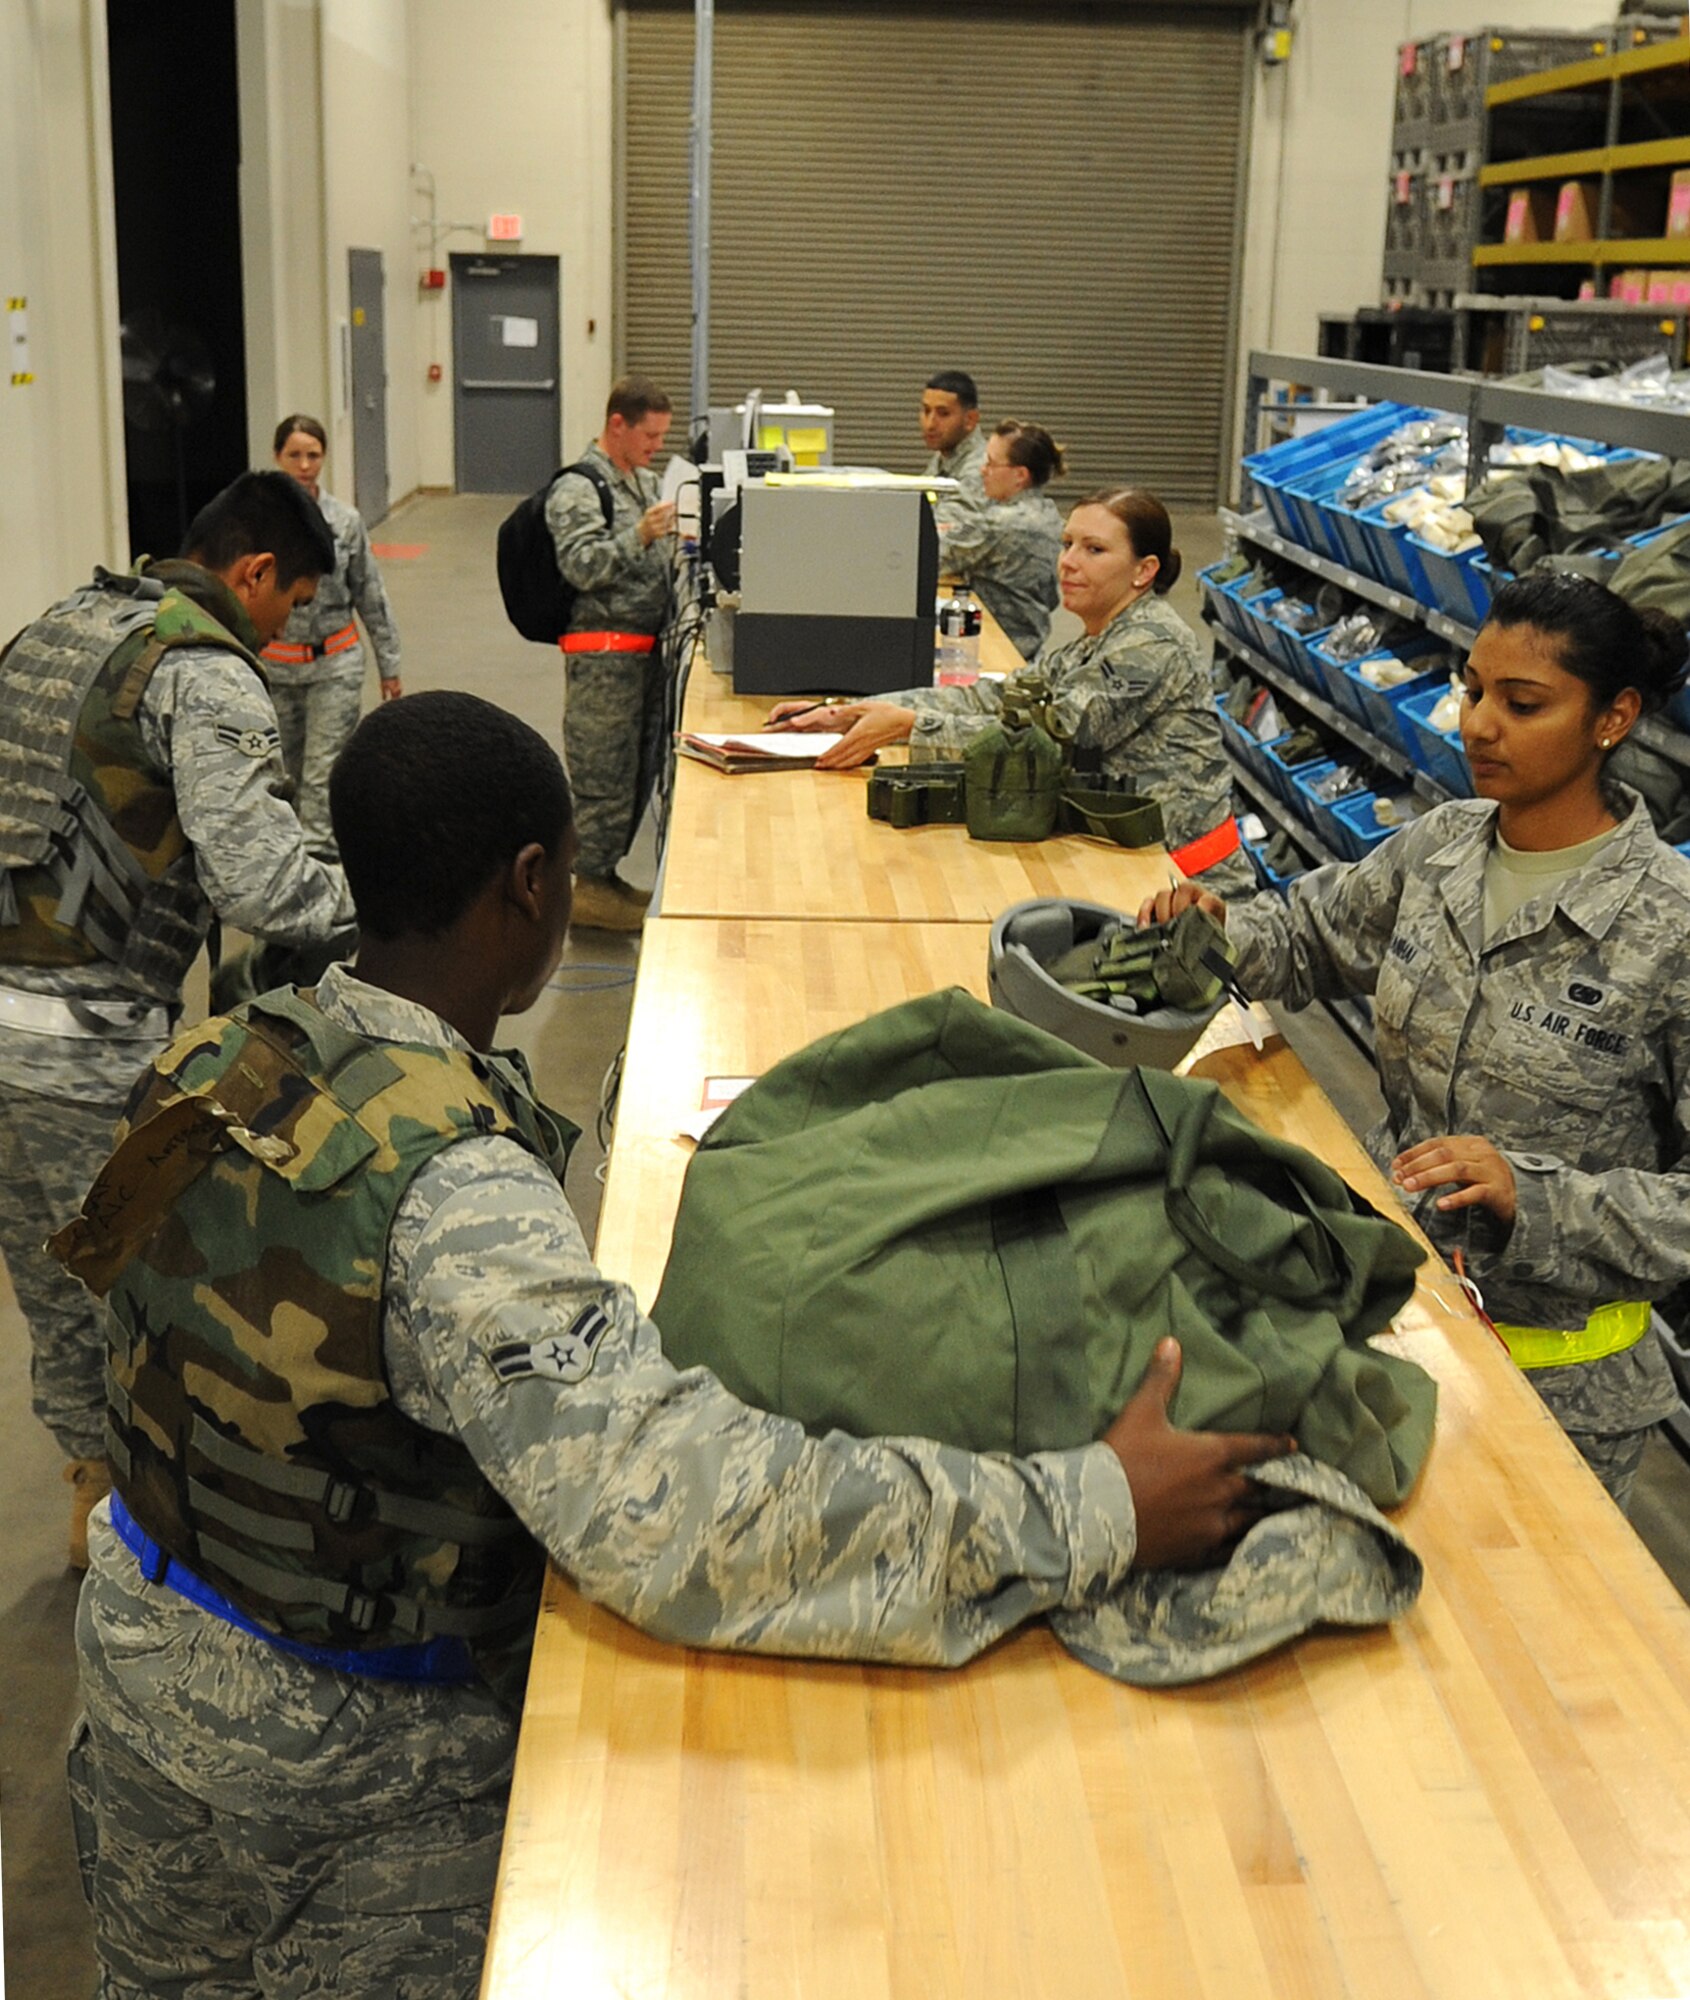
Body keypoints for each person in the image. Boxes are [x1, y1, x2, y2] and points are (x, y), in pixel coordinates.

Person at [56, 690, 1293, 1999]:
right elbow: (685, 1517)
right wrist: (1093, 1506)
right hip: (349, 1778)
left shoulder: (219, 1060)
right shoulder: (454, 1195)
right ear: (531, 885)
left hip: (139, 1693)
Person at [1139, 571, 1690, 1511]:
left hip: (1560, 1403)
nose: (1478, 725)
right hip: (1391, 1327)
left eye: (1523, 704)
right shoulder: (1443, 847)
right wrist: (1217, 927)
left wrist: (1537, 1199)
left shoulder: (1669, 931)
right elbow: (1309, 936)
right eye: (1473, 691)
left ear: (1614, 718)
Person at [0, 471, 355, 1566]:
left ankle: (93, 1492)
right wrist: (382, 895)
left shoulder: (63, 624)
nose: (285, 630)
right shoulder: (200, 672)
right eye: (289, 602)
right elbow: (260, 883)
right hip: (87, 1044)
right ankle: (149, 1538)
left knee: (52, 1281)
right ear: (255, 570)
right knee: (145, 1293)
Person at [771, 487, 1255, 896]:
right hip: (1129, 862)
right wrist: (854, 711)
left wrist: (913, 727)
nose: (1068, 562)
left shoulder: (1153, 644)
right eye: (1067, 544)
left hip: (1188, 885)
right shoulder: (1096, 639)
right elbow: (997, 699)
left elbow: (1050, 737)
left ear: (1143, 571)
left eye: (1094, 550)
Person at [545, 373, 676, 932]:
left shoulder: (641, 482)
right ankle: (590, 886)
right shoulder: (579, 488)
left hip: (644, 656)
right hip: (603, 658)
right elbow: (581, 566)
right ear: (616, 424)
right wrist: (639, 536)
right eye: (649, 435)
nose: (656, 447)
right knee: (603, 774)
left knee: (636, 771)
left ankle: (608, 875)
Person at [265, 414, 404, 857]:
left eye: (313, 455)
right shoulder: (258, 524)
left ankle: (319, 867)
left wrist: (389, 664)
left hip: (335, 666)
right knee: (282, 776)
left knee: (323, 775)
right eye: (294, 455)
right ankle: (286, 864)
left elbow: (370, 593)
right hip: (276, 670)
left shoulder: (344, 522)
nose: (305, 466)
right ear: (277, 457)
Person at [940, 419, 1066, 660]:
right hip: (1029, 647)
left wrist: (951, 530)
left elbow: (937, 555)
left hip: (995, 649)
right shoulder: (1050, 515)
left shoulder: (999, 524)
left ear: (1020, 475)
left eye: (991, 463)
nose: (982, 470)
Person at [920, 369, 988, 525]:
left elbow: (945, 531)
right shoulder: (944, 457)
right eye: (926, 411)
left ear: (970, 419)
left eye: (943, 414)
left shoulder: (981, 469)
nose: (930, 424)